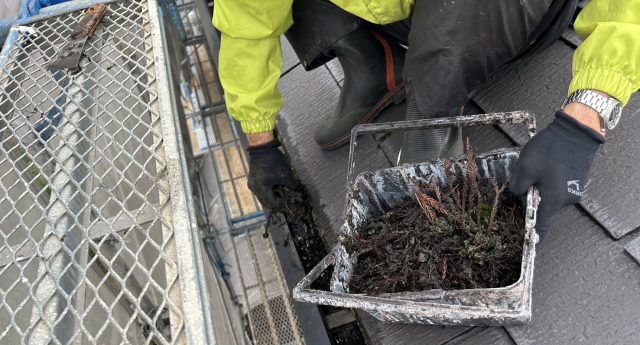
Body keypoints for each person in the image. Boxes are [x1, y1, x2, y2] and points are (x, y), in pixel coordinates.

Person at [214, 0, 639, 238]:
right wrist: (261, 142)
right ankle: (373, 68)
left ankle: (431, 121)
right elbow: (245, 20)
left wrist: (586, 115)